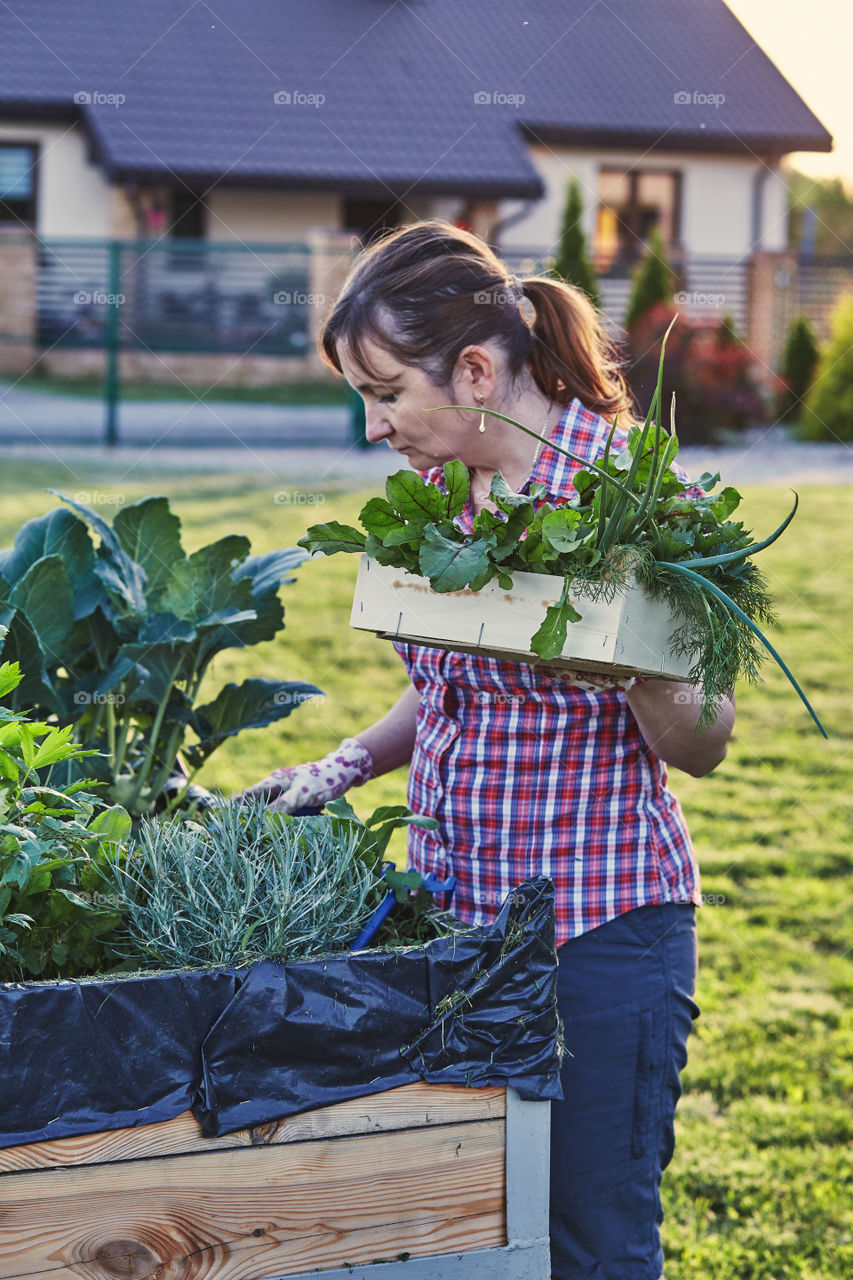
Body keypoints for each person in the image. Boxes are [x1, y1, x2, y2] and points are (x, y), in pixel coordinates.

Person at [240, 221, 735, 1280]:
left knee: (588, 1245)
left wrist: (631, 655)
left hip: (595, 937)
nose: (372, 427)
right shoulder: (448, 504)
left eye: (383, 393)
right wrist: (342, 763)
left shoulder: (638, 501)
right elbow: (454, 691)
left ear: (473, 369)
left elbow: (705, 742)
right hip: (455, 929)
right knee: (475, 1233)